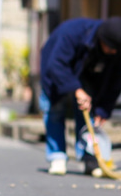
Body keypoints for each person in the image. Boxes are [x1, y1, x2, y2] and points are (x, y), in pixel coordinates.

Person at [40, 16, 121, 176]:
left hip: (87, 76)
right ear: (102, 40)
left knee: (87, 115)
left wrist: (103, 110)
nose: (113, 52)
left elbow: (115, 82)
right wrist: (77, 90)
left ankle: (89, 159)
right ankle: (57, 156)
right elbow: (56, 64)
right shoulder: (72, 33)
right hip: (55, 71)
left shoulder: (116, 51)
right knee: (55, 110)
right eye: (111, 48)